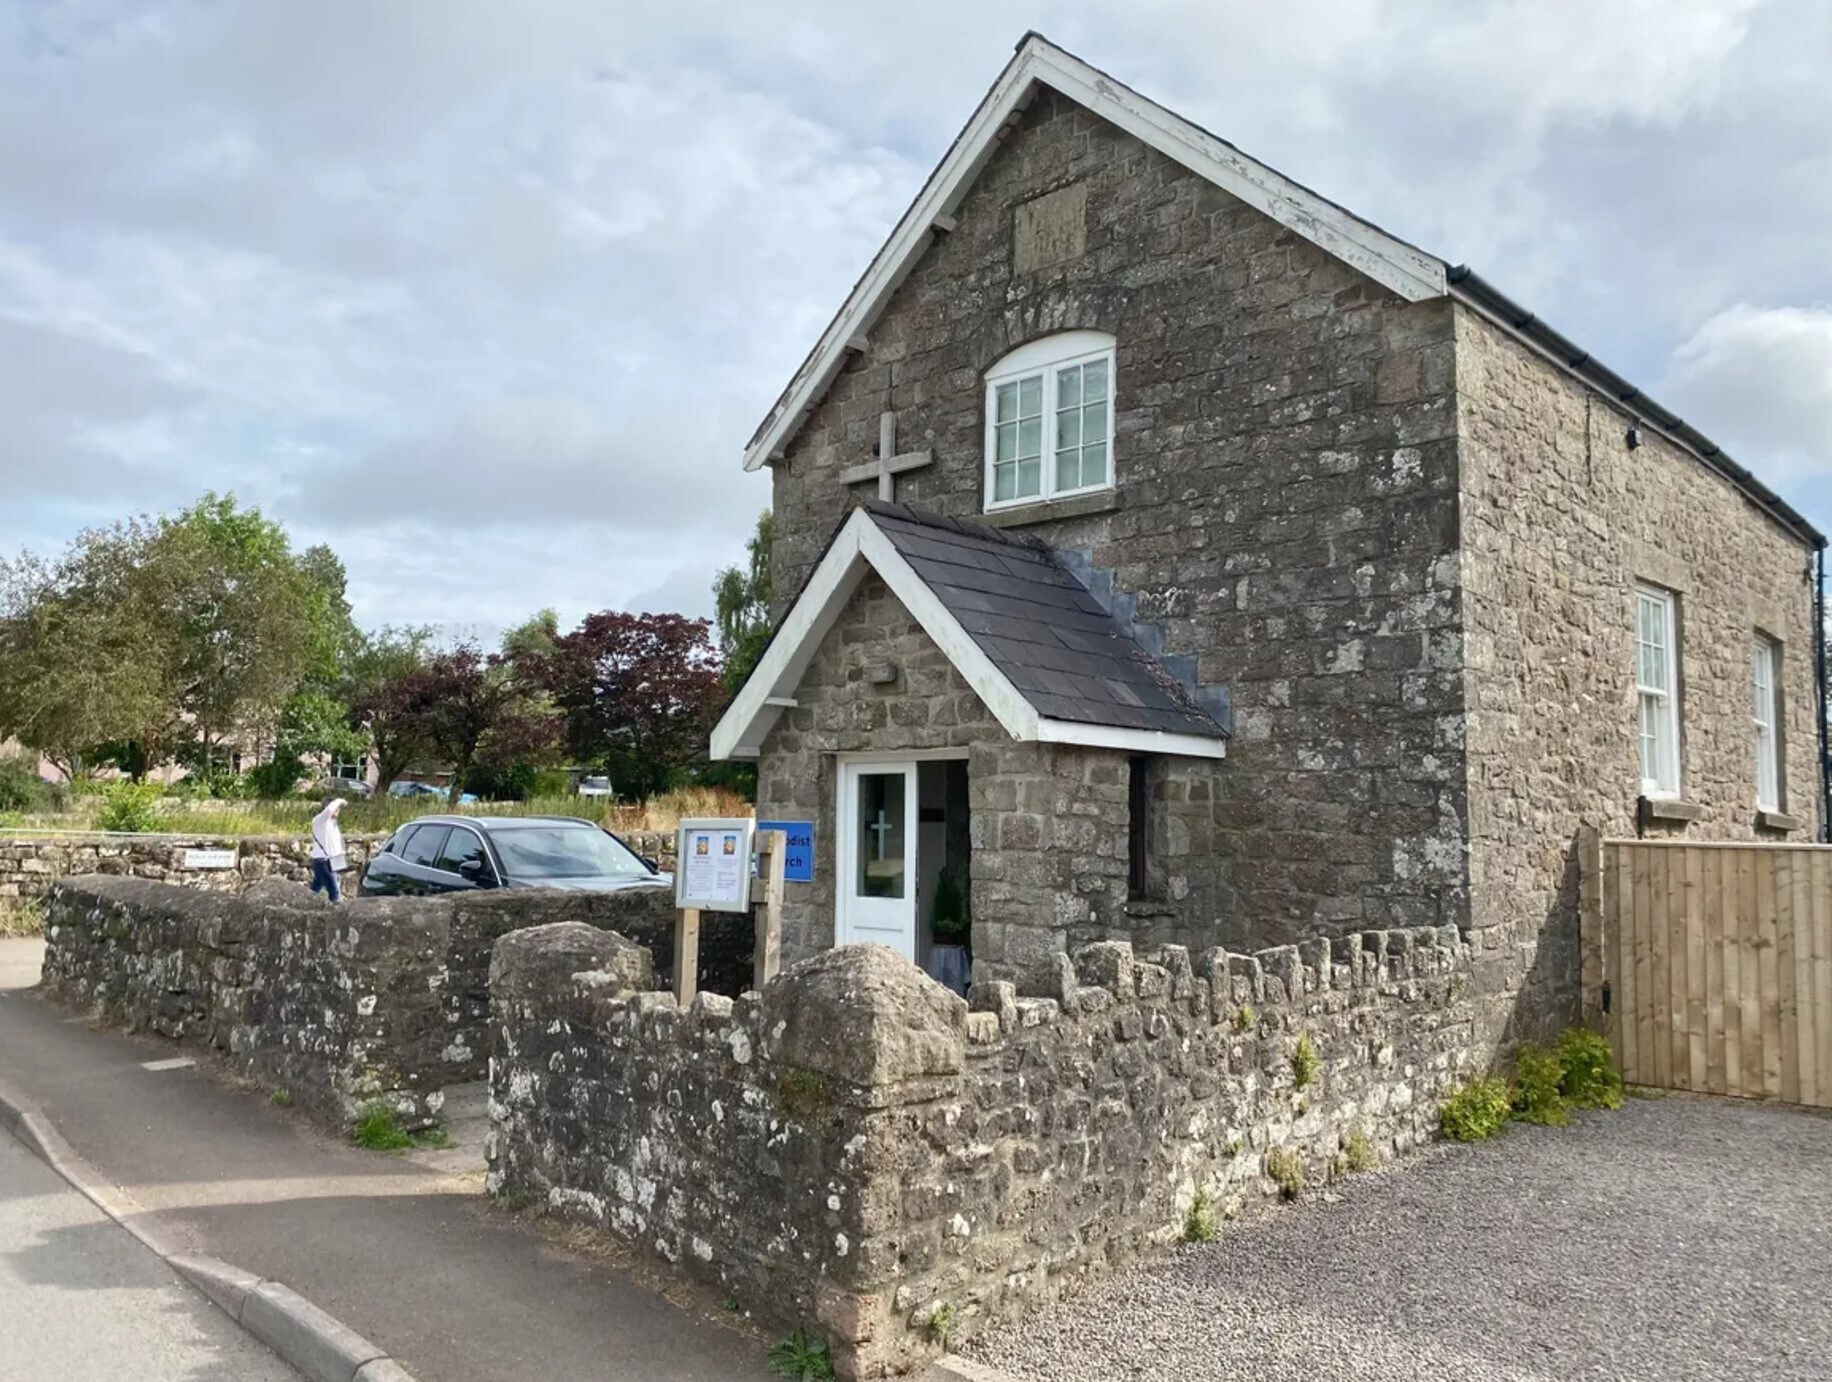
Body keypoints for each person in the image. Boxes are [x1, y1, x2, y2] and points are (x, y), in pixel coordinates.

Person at [309, 797, 348, 903]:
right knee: (335, 893)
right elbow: (329, 810)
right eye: (336, 809)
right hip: (323, 861)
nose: (337, 811)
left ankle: (305, 904)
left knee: (314, 890)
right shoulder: (319, 821)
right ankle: (337, 910)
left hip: (332, 861)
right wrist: (339, 800)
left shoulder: (333, 824)